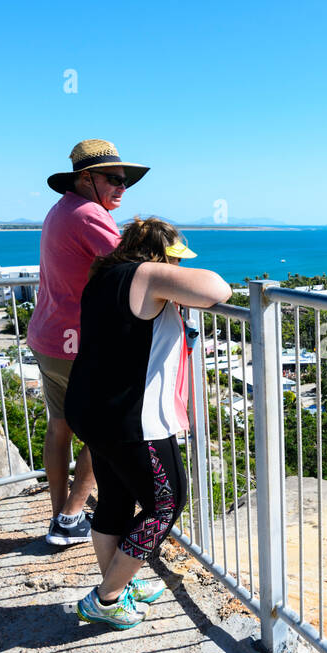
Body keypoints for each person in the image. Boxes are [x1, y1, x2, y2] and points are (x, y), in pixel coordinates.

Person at [65, 217, 232, 629]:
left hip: (91, 410)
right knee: (166, 504)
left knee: (117, 503)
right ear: (162, 255)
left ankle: (118, 585)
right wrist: (171, 273)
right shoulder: (149, 274)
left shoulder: (104, 276)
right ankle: (105, 598)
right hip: (130, 418)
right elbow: (217, 289)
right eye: (175, 259)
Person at [28, 139, 150, 546]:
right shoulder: (89, 213)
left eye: (125, 180)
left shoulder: (60, 209)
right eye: (114, 179)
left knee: (60, 427)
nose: (122, 187)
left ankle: (61, 517)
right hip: (79, 343)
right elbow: (129, 268)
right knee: (104, 431)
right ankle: (73, 513)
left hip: (48, 337)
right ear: (85, 179)